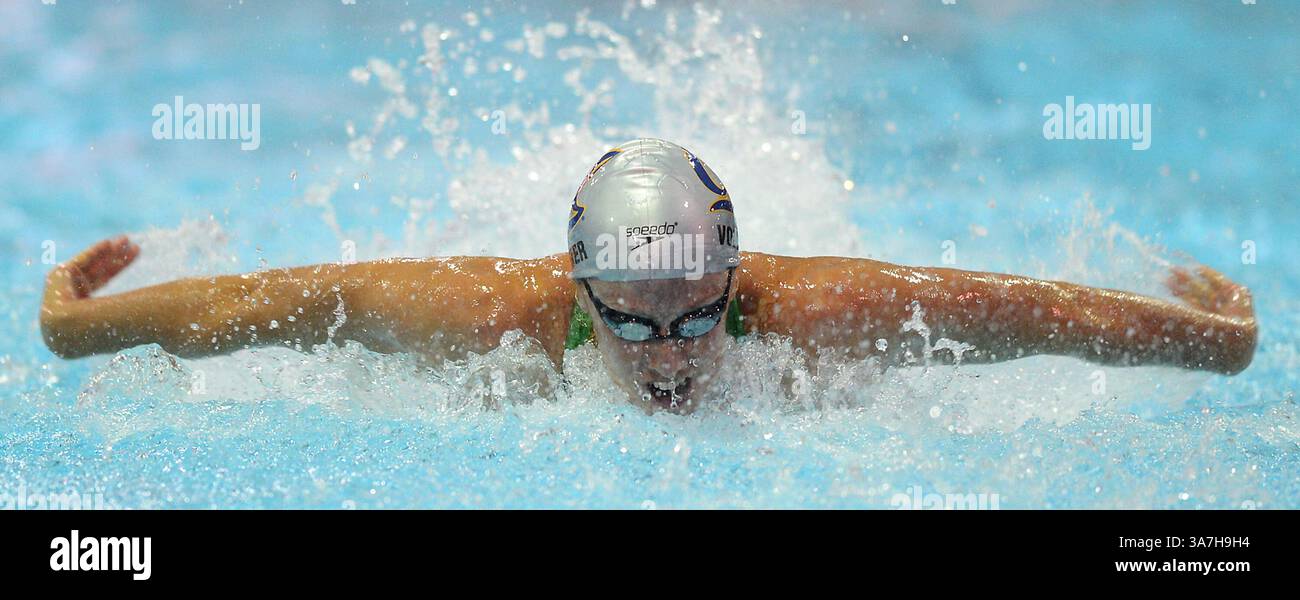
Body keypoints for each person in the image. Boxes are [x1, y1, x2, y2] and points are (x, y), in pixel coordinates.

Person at [39, 138, 1257, 414]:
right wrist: (66, 325)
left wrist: (1222, 338)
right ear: (574, 288)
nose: (668, 355)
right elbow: (247, 311)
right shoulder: (481, 315)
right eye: (626, 319)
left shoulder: (826, 309)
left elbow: (1042, 317)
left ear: (734, 280)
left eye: (694, 319)